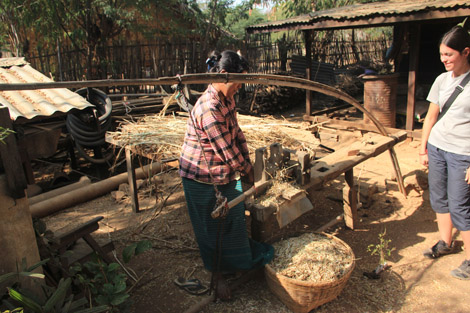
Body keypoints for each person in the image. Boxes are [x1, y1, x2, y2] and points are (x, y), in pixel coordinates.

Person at [179, 50, 274, 299]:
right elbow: (226, 152)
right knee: (211, 229)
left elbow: (237, 135)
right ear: (223, 74)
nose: (240, 86)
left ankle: (231, 264)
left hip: (222, 173)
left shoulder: (227, 99)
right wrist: (247, 171)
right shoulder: (208, 107)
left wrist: (250, 163)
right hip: (200, 176)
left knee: (231, 223)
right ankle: (217, 274)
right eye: (238, 81)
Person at [419, 25, 470, 280]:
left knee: (460, 206)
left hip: (463, 154)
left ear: (465, 52)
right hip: (437, 148)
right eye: (441, 55)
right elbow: (431, 116)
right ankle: (445, 243)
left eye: (449, 55)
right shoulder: (441, 80)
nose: (444, 60)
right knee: (439, 199)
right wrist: (423, 148)